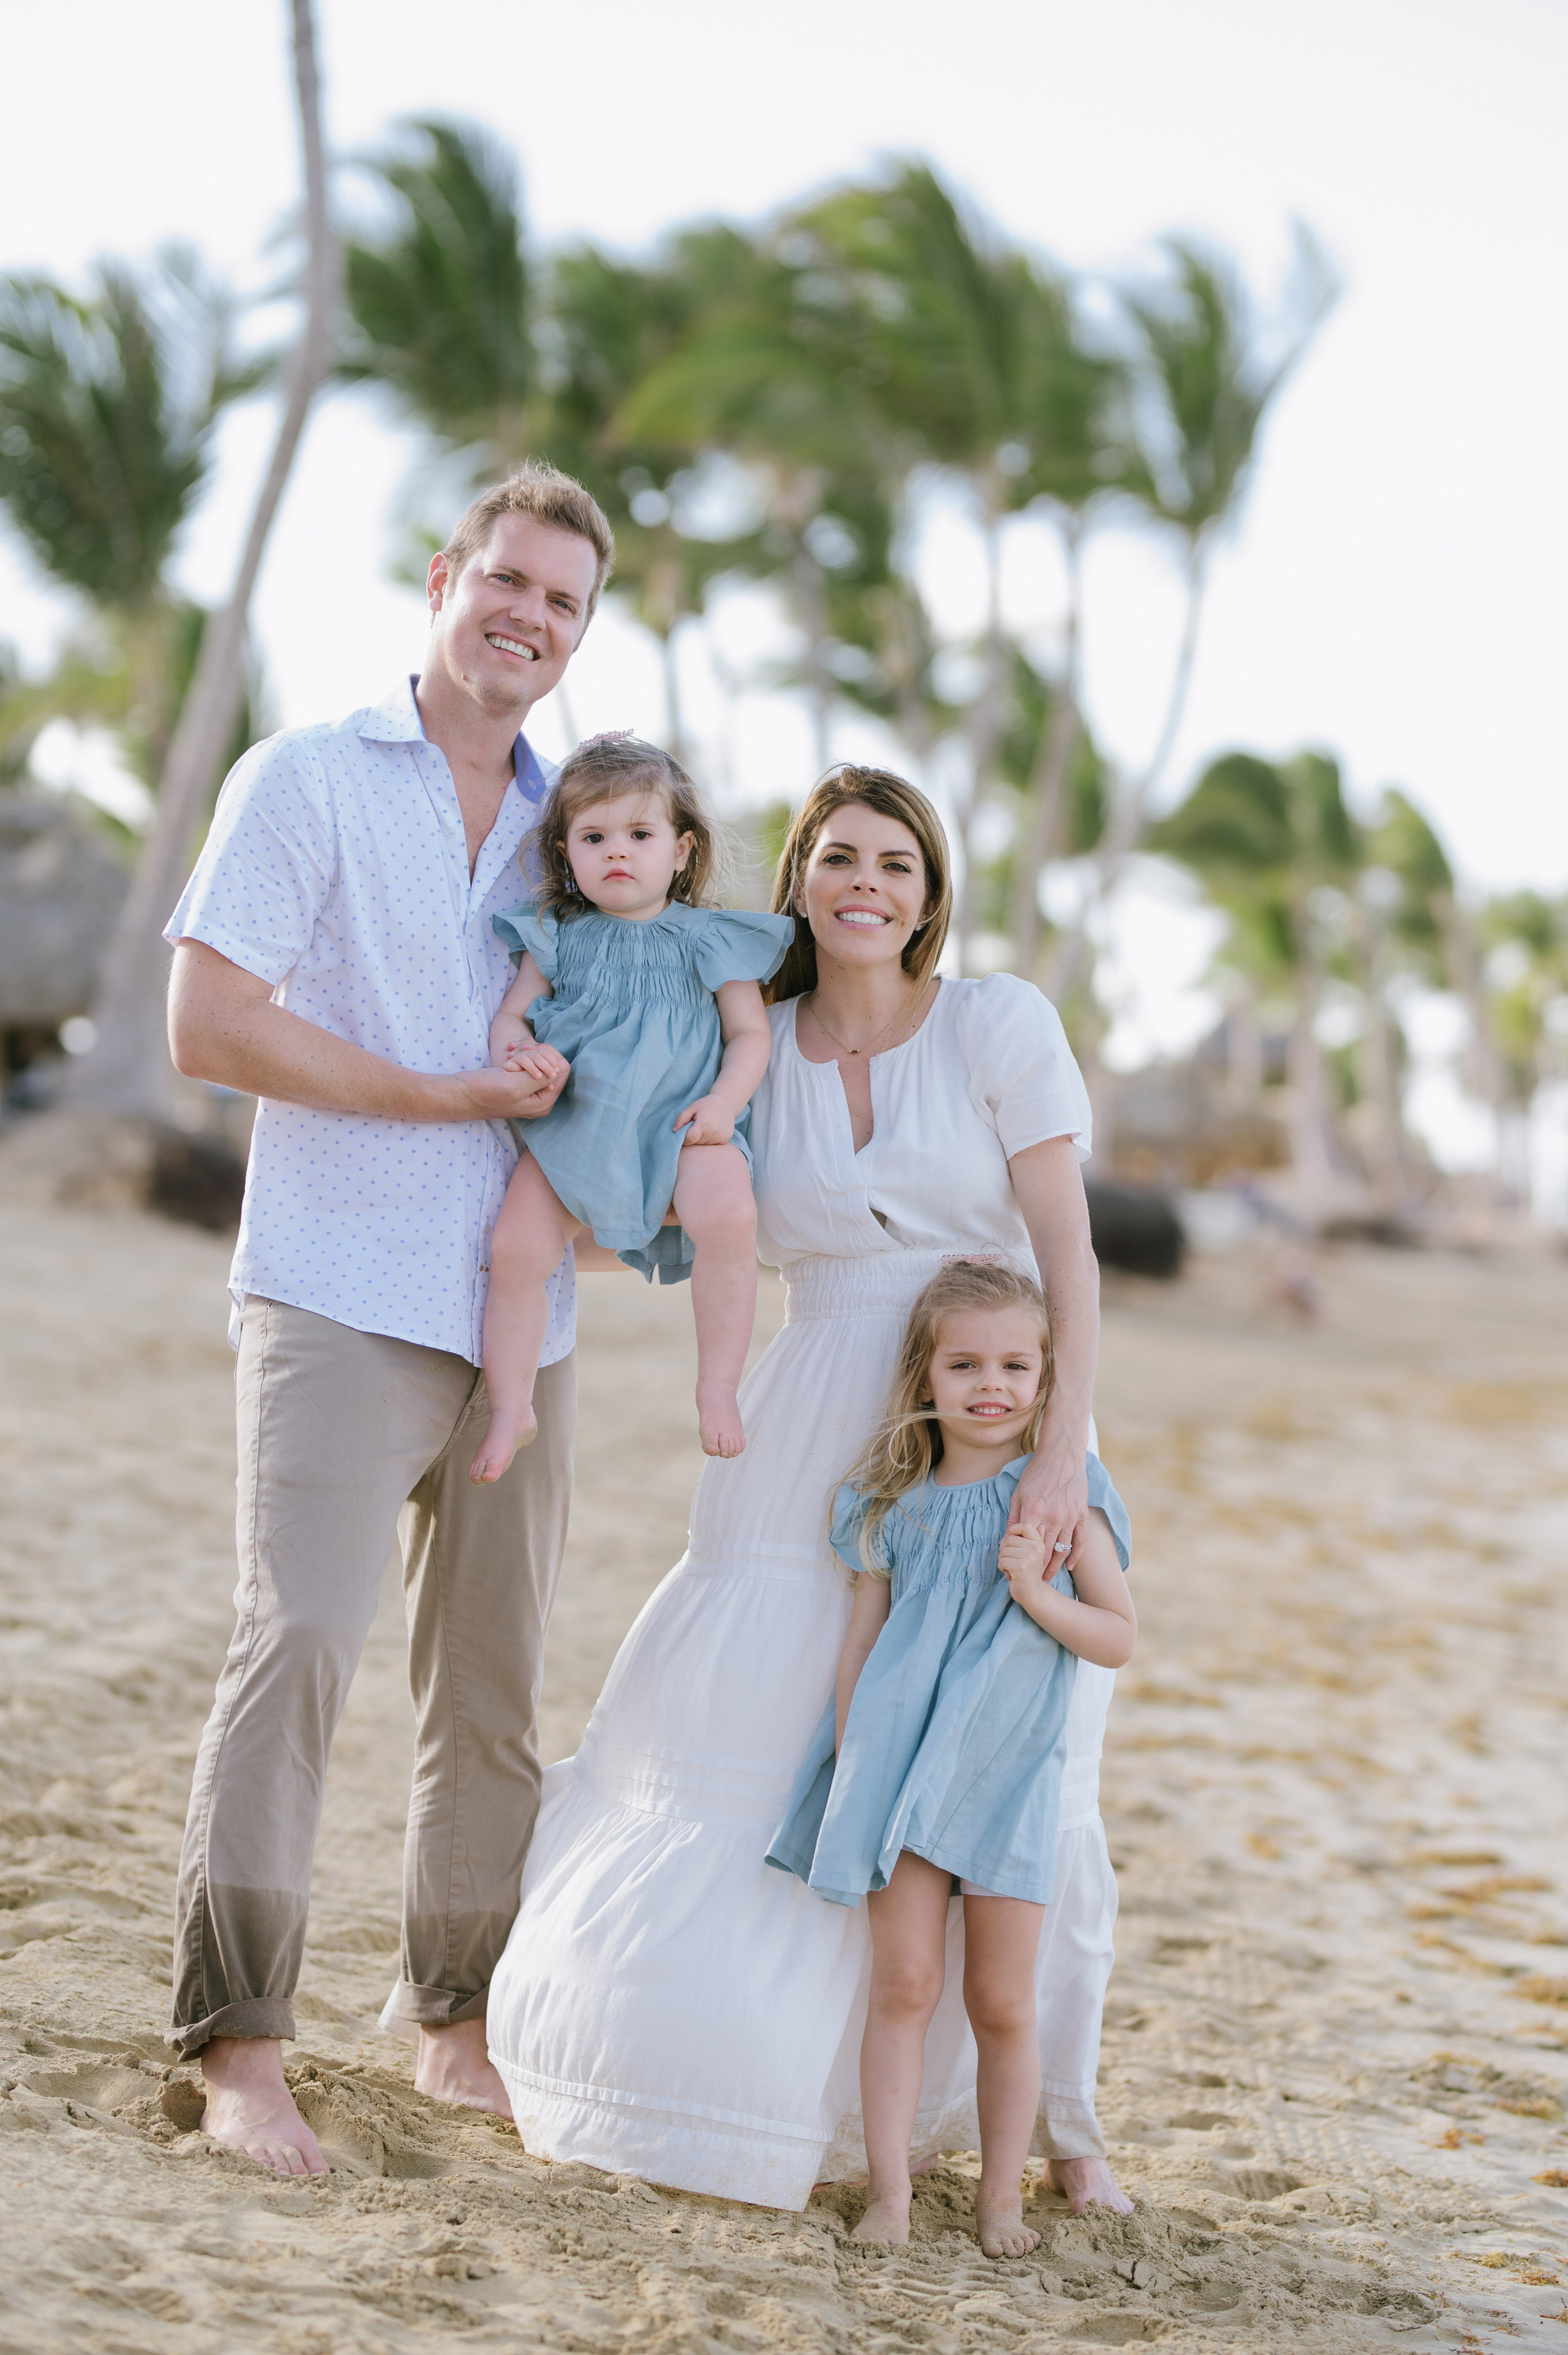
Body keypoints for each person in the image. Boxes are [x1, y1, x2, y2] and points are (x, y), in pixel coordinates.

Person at [485, 764, 1135, 2216]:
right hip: (804, 1419)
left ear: (927, 890)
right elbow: (640, 1196)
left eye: (896, 863)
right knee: (762, 1720)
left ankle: (1065, 2131)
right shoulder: (748, 1043)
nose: (867, 883)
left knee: (1020, 1765)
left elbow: (1068, 1258)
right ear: (796, 880)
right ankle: (732, 2087)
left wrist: (1055, 1450)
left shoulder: (992, 1022)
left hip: (991, 1409)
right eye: (838, 857)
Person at [162, 460, 614, 2177]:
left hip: (527, 1319)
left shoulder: (587, 825)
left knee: (489, 1691)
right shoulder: (305, 777)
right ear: (443, 575)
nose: (527, 615)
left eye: (561, 600)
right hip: (337, 1288)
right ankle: (239, 2048)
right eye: (506, 577)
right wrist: (436, 1096)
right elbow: (210, 1023)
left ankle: (455, 2021)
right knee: (295, 1653)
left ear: (580, 632)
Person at [768, 1260, 1135, 2255]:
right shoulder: (889, 1501)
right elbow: (860, 1643)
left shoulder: (1059, 1496)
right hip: (896, 1769)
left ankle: (1000, 2199)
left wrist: (1035, 1591)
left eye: (1018, 1365)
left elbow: (1116, 1634)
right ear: (924, 1378)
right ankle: (890, 2193)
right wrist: (853, 1762)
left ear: (1047, 1379)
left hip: (1008, 1772)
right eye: (966, 1363)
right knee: (905, 1985)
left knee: (1002, 2000)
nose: (992, 1386)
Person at [469, 734, 793, 1481]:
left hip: (687, 1125)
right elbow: (511, 1019)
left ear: (680, 851)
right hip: (574, 1125)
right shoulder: (556, 937)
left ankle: (717, 1387)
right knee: (515, 1250)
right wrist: (517, 1054)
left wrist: (723, 1102)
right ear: (565, 852)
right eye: (594, 837)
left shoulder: (708, 939)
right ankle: (511, 1404)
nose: (618, 851)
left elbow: (749, 1036)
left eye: (639, 835)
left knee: (728, 1215)